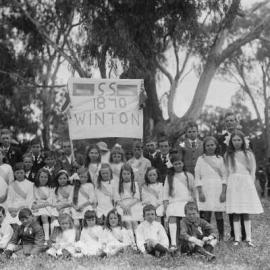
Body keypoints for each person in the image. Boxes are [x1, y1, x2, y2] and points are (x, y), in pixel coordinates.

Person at [224, 130, 263, 246]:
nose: (236, 142)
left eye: (239, 140)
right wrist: (227, 185)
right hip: (233, 183)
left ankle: (248, 238)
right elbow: (226, 172)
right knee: (235, 211)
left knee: (245, 211)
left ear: (243, 141)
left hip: (245, 182)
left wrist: (250, 183)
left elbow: (252, 170)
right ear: (231, 141)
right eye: (234, 140)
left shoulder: (248, 154)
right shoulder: (228, 155)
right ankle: (237, 238)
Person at [217, 111, 247, 241]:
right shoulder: (219, 139)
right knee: (232, 203)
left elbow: (249, 157)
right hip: (227, 175)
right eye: (227, 121)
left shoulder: (244, 137)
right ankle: (235, 233)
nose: (229, 123)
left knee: (243, 203)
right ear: (225, 123)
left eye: (232, 120)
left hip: (242, 175)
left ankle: (245, 233)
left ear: (236, 122)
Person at [161, 153, 195, 250]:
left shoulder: (188, 175)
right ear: (172, 165)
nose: (178, 166)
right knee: (172, 216)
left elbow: (193, 190)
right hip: (174, 203)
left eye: (179, 163)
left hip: (186, 202)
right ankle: (173, 243)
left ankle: (190, 241)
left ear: (183, 164)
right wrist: (165, 205)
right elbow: (165, 192)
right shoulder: (169, 177)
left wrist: (194, 203)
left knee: (188, 217)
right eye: (175, 164)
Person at [195, 136, 227, 240]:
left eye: (212, 145)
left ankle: (221, 236)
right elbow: (197, 176)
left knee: (218, 213)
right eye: (207, 145)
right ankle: (206, 235)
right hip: (205, 189)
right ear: (204, 147)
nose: (210, 147)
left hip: (217, 188)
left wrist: (223, 192)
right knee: (206, 213)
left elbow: (224, 176)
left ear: (216, 146)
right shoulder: (201, 159)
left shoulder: (220, 159)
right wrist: (200, 192)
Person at [31, 168, 58, 244]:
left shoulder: (50, 187)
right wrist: (36, 205)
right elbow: (33, 199)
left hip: (47, 207)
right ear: (38, 177)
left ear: (48, 178)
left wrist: (43, 204)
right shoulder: (34, 186)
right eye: (41, 177)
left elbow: (50, 201)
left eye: (45, 177)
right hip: (37, 206)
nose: (43, 179)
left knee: (44, 216)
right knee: (34, 218)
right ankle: (34, 237)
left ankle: (46, 238)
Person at [115, 164, 143, 230]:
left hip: (133, 204)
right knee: (128, 222)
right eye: (124, 174)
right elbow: (117, 199)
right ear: (121, 175)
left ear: (131, 174)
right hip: (122, 205)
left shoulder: (134, 184)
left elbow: (137, 198)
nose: (126, 176)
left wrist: (128, 206)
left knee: (134, 221)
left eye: (128, 174)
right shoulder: (118, 185)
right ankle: (130, 238)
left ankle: (137, 237)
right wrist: (124, 207)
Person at [69, 167, 96, 236]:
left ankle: (86, 237)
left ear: (88, 177)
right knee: (76, 224)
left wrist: (81, 206)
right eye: (81, 177)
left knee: (85, 224)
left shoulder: (90, 185)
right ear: (78, 177)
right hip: (76, 208)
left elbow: (91, 199)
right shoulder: (75, 187)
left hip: (86, 206)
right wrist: (75, 207)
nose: (83, 179)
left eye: (85, 177)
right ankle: (77, 240)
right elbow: (70, 200)